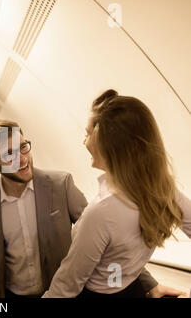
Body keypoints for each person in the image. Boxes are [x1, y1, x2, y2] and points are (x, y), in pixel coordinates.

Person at [0, 119, 176, 298]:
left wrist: (150, 285)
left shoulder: (60, 185)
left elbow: (111, 239)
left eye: (23, 147)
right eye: (9, 154)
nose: (22, 159)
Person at [42, 90, 191, 298]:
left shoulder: (100, 212)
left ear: (106, 141)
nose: (83, 142)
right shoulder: (164, 191)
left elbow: (66, 286)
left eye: (87, 134)